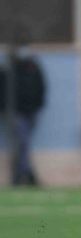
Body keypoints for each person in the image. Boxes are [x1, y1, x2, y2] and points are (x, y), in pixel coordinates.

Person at [0, 53, 45, 185]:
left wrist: (37, 105)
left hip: (31, 111)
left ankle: (19, 174)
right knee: (22, 142)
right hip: (15, 113)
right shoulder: (7, 70)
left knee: (22, 145)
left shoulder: (32, 67)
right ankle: (27, 174)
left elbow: (41, 86)